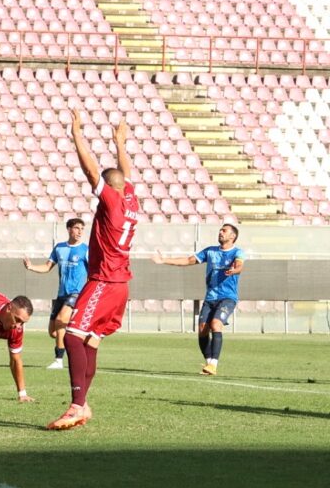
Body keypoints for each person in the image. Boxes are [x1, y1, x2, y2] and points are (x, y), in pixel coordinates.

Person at [47, 111, 139, 431]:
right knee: (90, 341)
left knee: (72, 336)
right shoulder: (131, 200)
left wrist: (76, 134)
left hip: (103, 281)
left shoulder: (112, 203)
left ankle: (76, 405)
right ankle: (83, 405)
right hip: (121, 284)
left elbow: (91, 170)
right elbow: (122, 174)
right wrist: (119, 143)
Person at [152, 224, 244, 376]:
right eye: (220, 229)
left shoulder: (237, 252)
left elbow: (239, 264)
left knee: (216, 324)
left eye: (224, 230)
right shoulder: (210, 251)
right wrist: (163, 260)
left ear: (232, 236)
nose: (220, 232)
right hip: (210, 298)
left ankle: (214, 364)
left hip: (228, 297)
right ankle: (209, 363)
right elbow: (188, 260)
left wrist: (235, 270)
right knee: (202, 330)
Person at [23, 218, 88, 370]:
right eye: (77, 228)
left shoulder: (86, 250)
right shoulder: (59, 248)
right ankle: (79, 340)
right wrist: (31, 267)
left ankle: (58, 360)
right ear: (69, 229)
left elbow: (93, 273)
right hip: (61, 295)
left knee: (60, 321)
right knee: (53, 332)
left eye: (82, 228)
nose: (80, 231)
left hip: (76, 293)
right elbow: (47, 267)